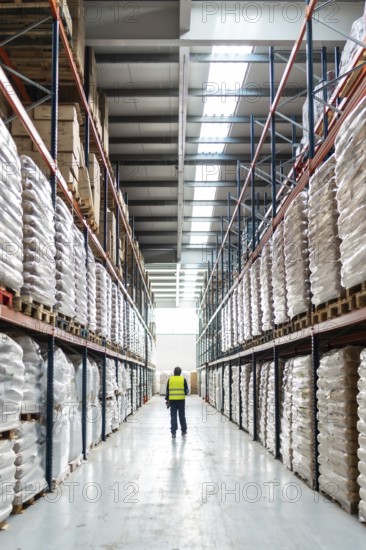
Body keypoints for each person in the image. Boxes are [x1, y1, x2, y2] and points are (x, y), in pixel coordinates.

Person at [165, 366, 189, 438]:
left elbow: (167, 391)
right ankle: (184, 431)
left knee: (173, 416)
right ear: (180, 373)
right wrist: (183, 393)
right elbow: (187, 391)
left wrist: (167, 400)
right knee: (182, 416)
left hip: (172, 401)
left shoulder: (170, 380)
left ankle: (173, 433)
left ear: (174, 372)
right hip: (181, 400)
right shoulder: (183, 379)